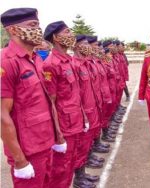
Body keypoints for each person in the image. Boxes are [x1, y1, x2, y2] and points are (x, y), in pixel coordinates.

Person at [1, 8, 55, 188]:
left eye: (38, 25)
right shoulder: (6, 61)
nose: (38, 30)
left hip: (45, 142)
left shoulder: (34, 59)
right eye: (32, 25)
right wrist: (19, 160)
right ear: (13, 30)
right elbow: (2, 116)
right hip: (28, 150)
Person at [43, 21, 85, 188]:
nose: (71, 36)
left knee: (70, 164)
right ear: (56, 37)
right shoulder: (51, 64)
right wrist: (58, 133)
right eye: (67, 32)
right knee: (60, 168)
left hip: (75, 122)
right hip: (64, 126)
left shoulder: (68, 61)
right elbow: (51, 102)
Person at [72, 34, 101, 187]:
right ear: (76, 46)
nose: (88, 46)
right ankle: (78, 178)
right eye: (84, 43)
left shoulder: (85, 63)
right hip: (82, 112)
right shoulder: (75, 64)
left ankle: (84, 171)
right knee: (80, 144)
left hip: (91, 107)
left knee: (87, 142)